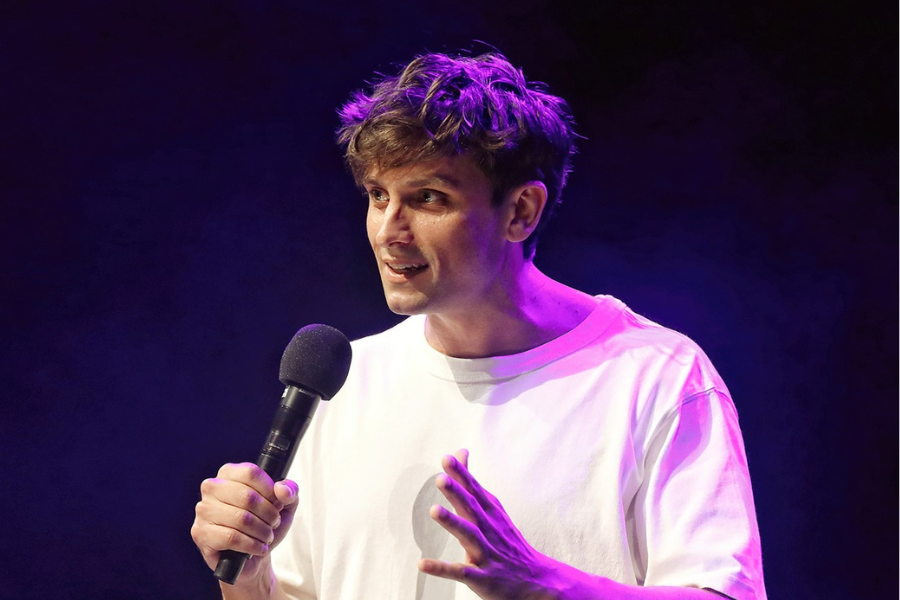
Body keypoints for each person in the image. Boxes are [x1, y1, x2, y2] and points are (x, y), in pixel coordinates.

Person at [191, 52, 767, 600]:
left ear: (520, 211)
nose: (389, 230)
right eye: (377, 195)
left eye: (428, 198)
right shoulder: (346, 382)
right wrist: (248, 574)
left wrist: (541, 587)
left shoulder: (655, 377)